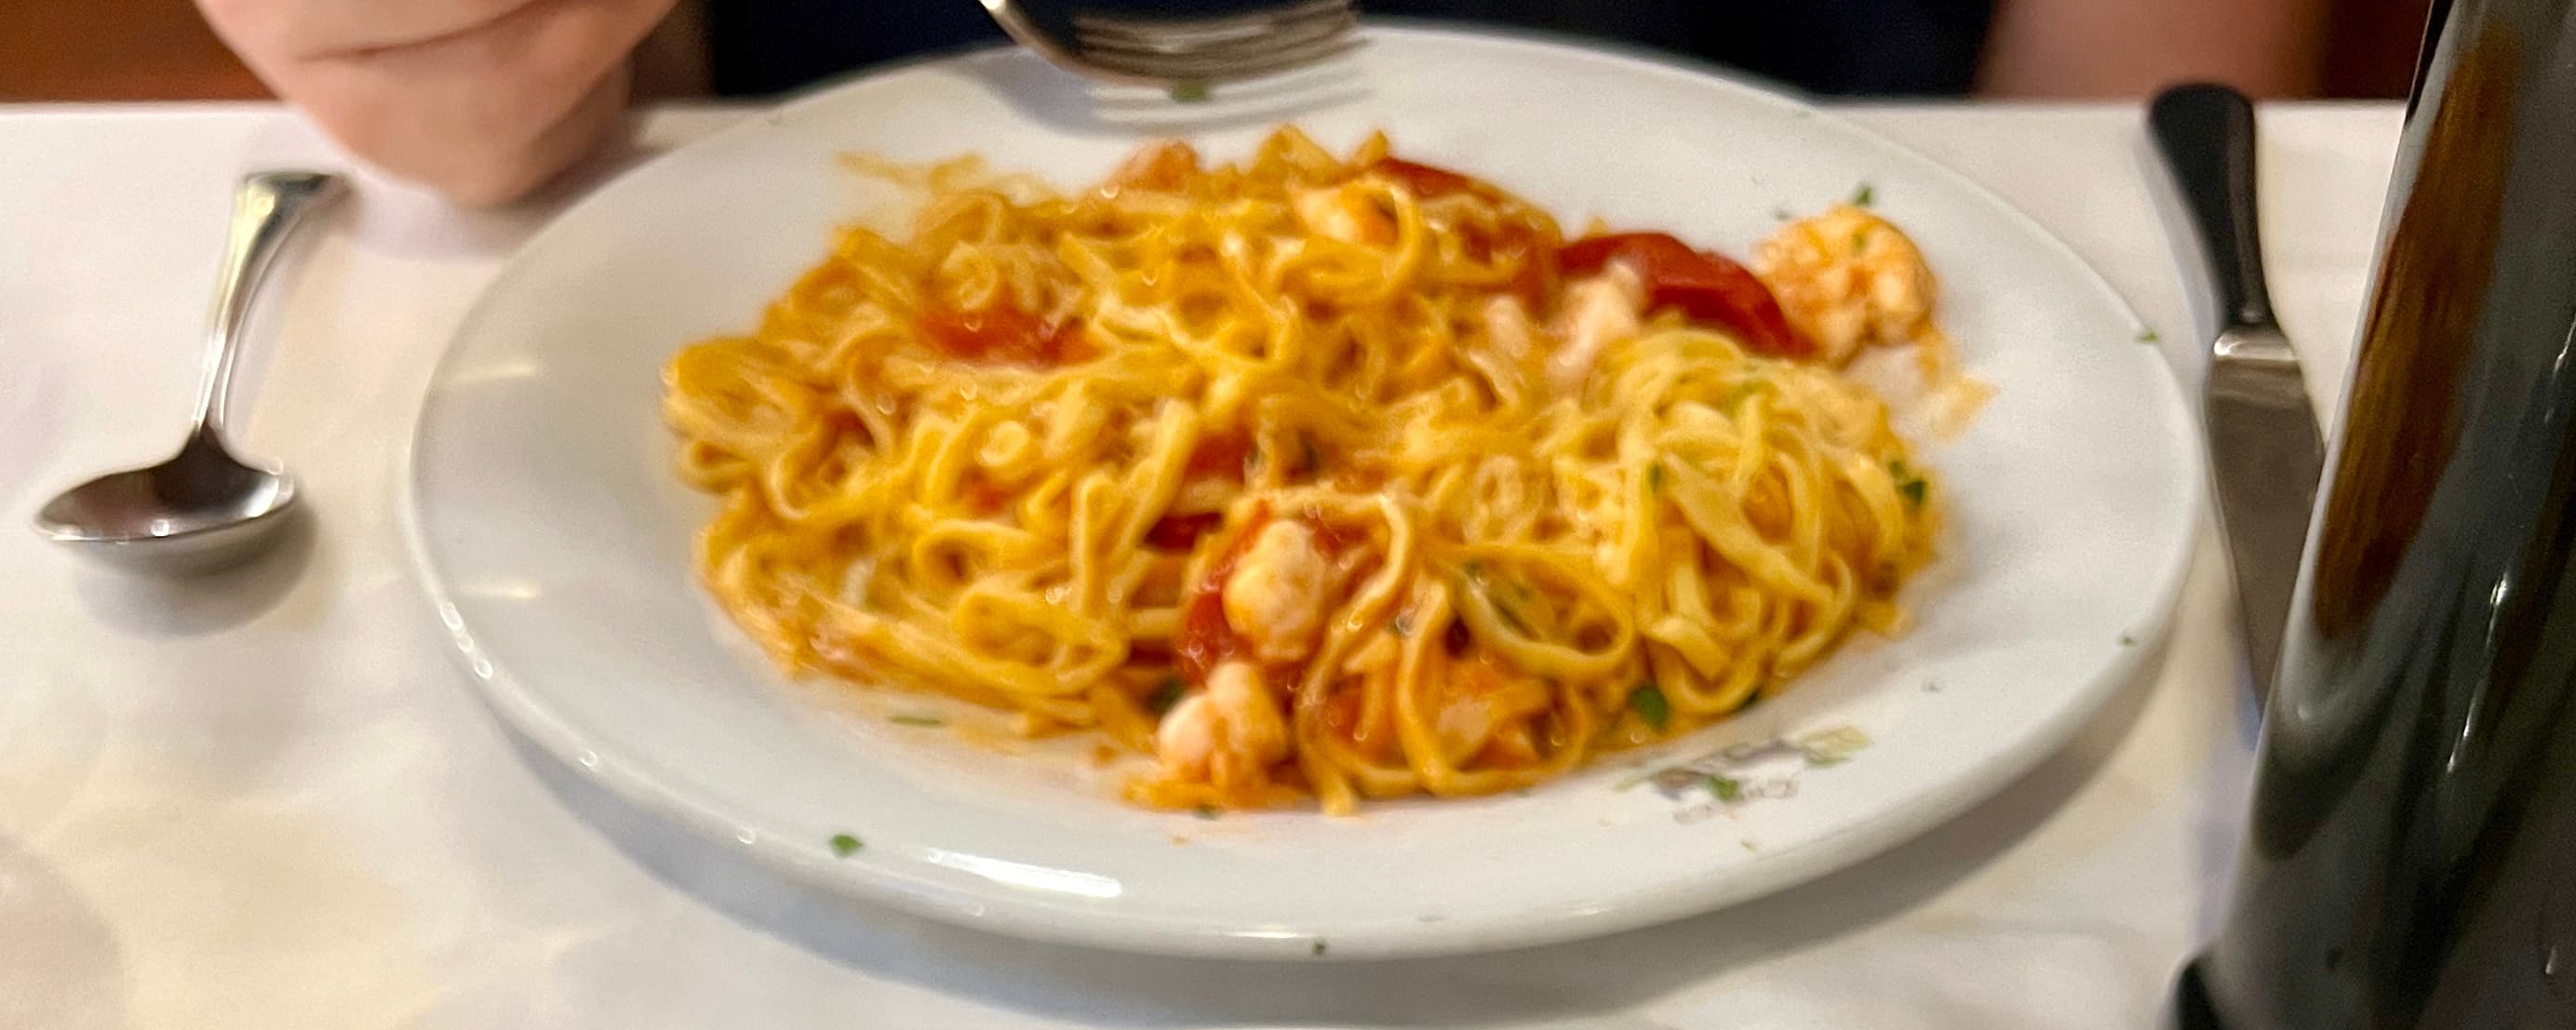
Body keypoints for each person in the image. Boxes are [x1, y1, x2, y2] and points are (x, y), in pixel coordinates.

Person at [195, 0, 2345, 209]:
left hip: (1813, 171)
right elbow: (573, 104)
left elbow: (2149, 124)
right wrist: (486, 53)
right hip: (897, 165)